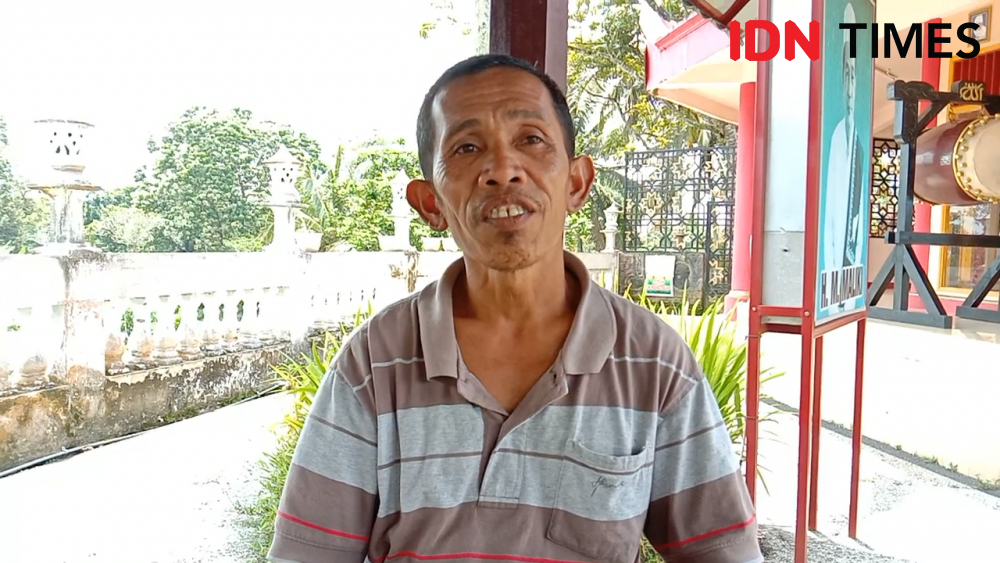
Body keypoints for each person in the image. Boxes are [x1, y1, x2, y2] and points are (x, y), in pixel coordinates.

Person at [267, 54, 762, 563]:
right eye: (466, 147)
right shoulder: (375, 363)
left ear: (576, 182)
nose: (502, 170)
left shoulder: (653, 363)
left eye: (531, 139)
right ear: (430, 203)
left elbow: (723, 551)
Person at [822, 1, 866, 311]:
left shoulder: (859, 142)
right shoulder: (838, 137)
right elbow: (832, 224)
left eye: (855, 75)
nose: (851, 84)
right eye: (846, 74)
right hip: (835, 269)